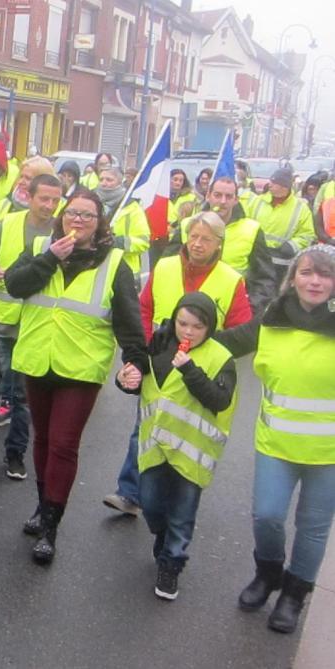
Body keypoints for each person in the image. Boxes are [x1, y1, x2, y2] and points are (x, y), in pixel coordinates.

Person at [4, 190, 147, 563]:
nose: (78, 220)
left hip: (81, 367)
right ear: (62, 217)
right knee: (43, 440)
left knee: (63, 444)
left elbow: (129, 318)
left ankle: (51, 527)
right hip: (38, 359)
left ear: (99, 224)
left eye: (87, 215)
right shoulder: (42, 246)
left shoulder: (114, 262)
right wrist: (50, 258)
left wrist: (135, 360)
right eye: (72, 213)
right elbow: (15, 285)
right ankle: (42, 506)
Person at [213, 244, 335, 635]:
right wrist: (183, 336)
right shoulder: (271, 317)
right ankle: (267, 574)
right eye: (307, 272)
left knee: (313, 527)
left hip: (328, 454)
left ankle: (294, 595)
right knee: (267, 516)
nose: (315, 281)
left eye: (325, 274)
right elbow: (229, 342)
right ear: (293, 277)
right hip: (275, 444)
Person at [103, 212, 252, 517]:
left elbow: (242, 330)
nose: (197, 244)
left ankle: (174, 498)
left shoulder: (231, 279)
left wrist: (207, 350)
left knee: (183, 436)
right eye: (193, 236)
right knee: (144, 426)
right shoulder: (165, 266)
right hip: (159, 360)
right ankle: (130, 492)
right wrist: (146, 348)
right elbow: (144, 309)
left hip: (198, 370)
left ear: (219, 244)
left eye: (206, 239)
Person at [118, 292, 237, 601]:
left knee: (182, 515)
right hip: (155, 446)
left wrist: (190, 370)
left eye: (198, 327)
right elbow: (144, 382)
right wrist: (125, 378)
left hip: (191, 453)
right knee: (150, 504)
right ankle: (162, 535)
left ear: (209, 327)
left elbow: (219, 400)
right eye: (183, 324)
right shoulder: (160, 345)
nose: (188, 332)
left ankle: (172, 564)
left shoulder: (221, 358)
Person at [0, 173, 64, 480]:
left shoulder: (62, 232)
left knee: (23, 398)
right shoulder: (7, 224)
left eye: (55, 200)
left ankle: (15, 455)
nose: (49, 205)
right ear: (29, 197)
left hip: (35, 326)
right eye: (43, 198)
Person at [167, 177, 277, 313]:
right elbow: (167, 267)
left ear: (236, 200)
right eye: (217, 195)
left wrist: (250, 309)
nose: (223, 201)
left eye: (228, 196)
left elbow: (264, 278)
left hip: (231, 310)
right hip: (189, 309)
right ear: (208, 196)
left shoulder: (251, 230)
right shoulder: (187, 225)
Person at [247, 168, 315, 285]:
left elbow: (307, 235)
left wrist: (292, 245)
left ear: (285, 187)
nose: (270, 184)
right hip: (255, 260)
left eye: (274, 182)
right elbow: (245, 223)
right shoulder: (257, 201)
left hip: (282, 266)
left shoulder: (301, 208)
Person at [98, 167, 152, 283]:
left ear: (119, 182)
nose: (104, 183)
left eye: (109, 180)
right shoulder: (93, 204)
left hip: (124, 272)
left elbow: (143, 242)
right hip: (97, 268)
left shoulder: (133, 208)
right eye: (101, 179)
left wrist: (117, 242)